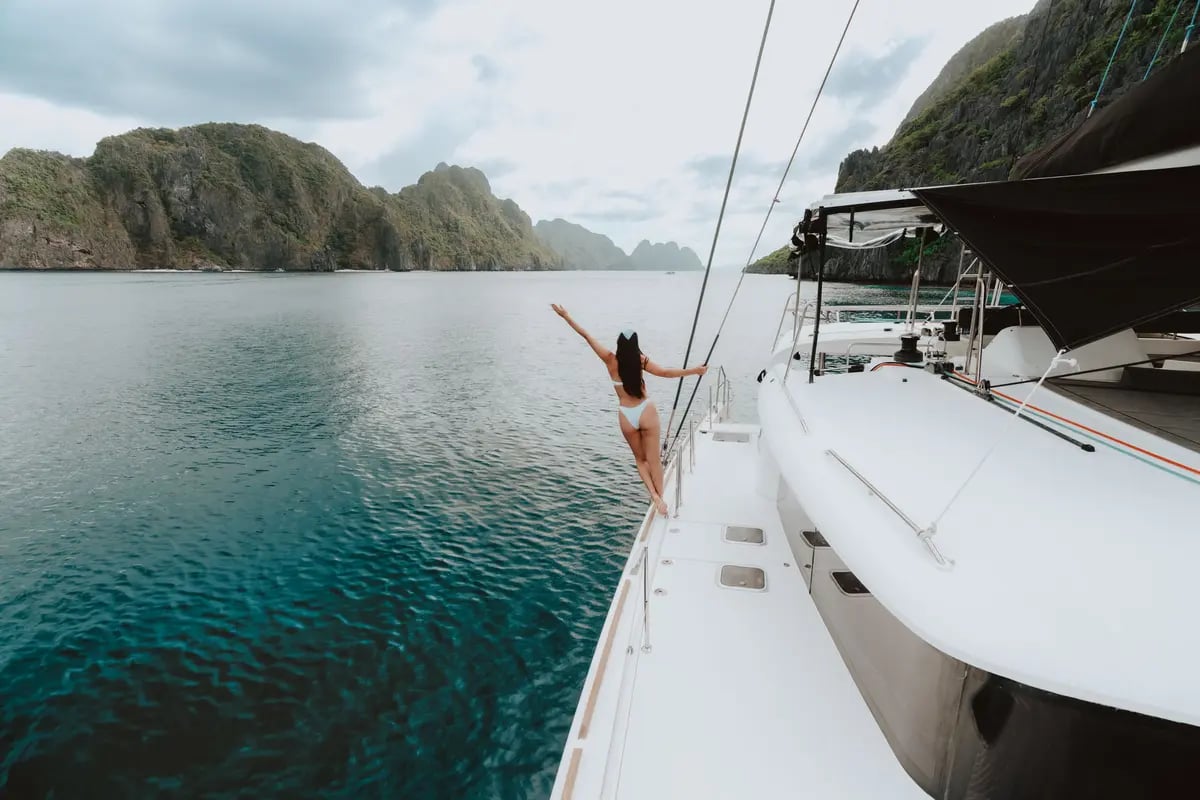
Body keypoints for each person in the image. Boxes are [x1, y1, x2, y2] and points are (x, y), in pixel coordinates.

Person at [552, 304, 707, 515]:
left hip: (626, 416)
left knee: (640, 460)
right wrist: (694, 371)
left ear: (618, 344)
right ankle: (661, 500)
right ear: (636, 344)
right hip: (646, 411)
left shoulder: (609, 359)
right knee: (654, 461)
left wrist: (566, 316)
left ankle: (653, 496)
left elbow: (587, 336)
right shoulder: (641, 360)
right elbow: (665, 372)